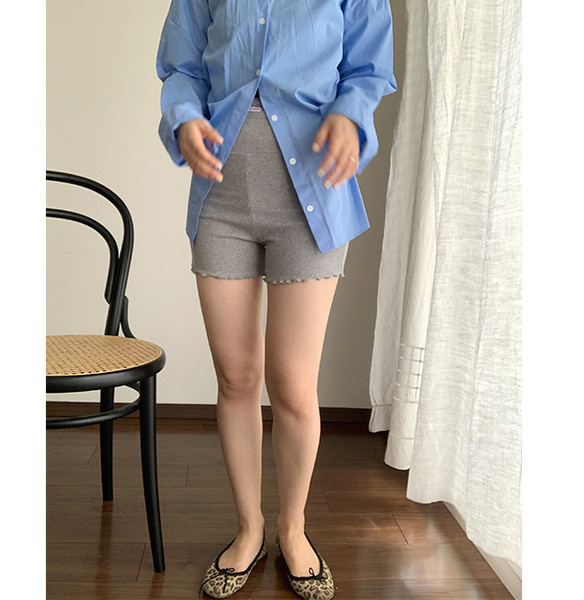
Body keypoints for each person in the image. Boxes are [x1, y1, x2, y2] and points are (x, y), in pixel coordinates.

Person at [156, 1, 396, 598]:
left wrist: (349, 114)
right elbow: (182, 66)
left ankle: (293, 528)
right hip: (221, 196)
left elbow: (368, 69)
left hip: (314, 193)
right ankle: (250, 528)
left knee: (292, 384)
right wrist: (184, 118)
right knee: (236, 377)